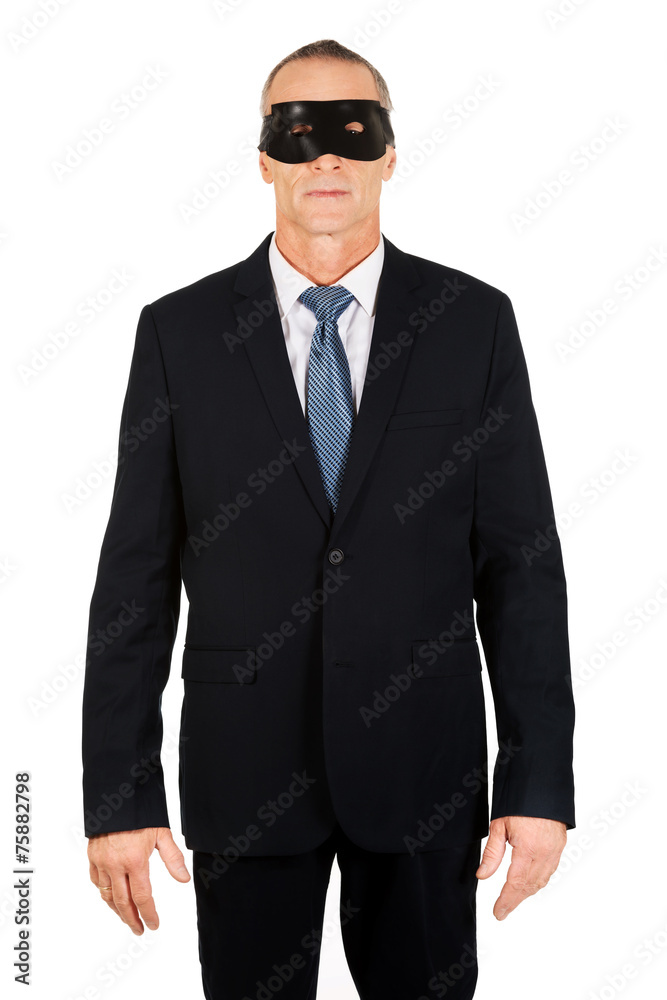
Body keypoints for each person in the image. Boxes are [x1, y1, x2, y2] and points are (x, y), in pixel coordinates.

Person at [82, 38, 576, 1000]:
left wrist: (537, 783)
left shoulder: (471, 324)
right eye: (297, 132)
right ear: (264, 159)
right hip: (244, 774)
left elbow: (522, 569)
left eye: (354, 130)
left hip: (424, 774)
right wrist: (118, 792)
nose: (326, 156)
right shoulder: (180, 334)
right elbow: (134, 579)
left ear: (389, 153)